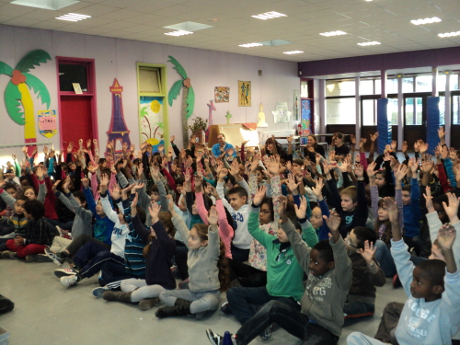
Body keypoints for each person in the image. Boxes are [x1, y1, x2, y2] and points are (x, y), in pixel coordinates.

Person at [206, 209, 352, 345]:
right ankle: (236, 341)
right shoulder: (311, 267)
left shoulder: (340, 278)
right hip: (305, 321)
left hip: (326, 331)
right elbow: (296, 240)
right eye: (311, 261)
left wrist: (335, 233)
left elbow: (343, 260)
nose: (311, 266)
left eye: (316, 263)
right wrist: (283, 217)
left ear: (331, 264)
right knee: (273, 307)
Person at [347, 199, 460, 345]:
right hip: (400, 340)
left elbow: (454, 282)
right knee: (354, 337)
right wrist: (394, 224)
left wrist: (447, 250)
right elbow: (401, 258)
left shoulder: (448, 307)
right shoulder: (418, 288)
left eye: (436, 255)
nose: (411, 284)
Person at [155, 197, 229, 319]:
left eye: (193, 238)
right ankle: (193, 309)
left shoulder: (211, 253)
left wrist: (213, 226)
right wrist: (173, 212)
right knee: (163, 294)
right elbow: (183, 229)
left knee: (208, 303)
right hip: (193, 293)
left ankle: (177, 311)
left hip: (210, 295)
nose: (189, 240)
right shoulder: (192, 248)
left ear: (205, 242)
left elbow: (214, 241)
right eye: (190, 237)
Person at [344, 226, 385, 320]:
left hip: (362, 302)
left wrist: (371, 263)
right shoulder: (349, 252)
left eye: (350, 240)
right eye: (348, 236)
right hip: (346, 298)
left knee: (333, 312)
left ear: (359, 250)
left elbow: (380, 281)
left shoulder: (364, 261)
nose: (346, 239)